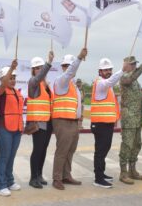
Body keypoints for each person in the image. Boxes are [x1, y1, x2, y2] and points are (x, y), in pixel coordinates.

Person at [91, 58, 130, 188]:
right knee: (100, 151)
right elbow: (110, 81)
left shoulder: (107, 86)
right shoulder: (100, 83)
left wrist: (114, 120)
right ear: (100, 71)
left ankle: (101, 173)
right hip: (100, 123)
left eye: (109, 70)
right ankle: (98, 178)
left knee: (104, 149)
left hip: (106, 123)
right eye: (106, 70)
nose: (108, 72)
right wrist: (122, 70)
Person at [52, 48, 87, 190]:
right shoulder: (61, 81)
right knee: (62, 150)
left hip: (73, 121)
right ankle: (57, 178)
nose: (69, 69)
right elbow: (70, 73)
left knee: (70, 150)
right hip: (62, 121)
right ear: (63, 67)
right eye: (67, 66)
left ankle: (66, 175)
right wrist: (79, 58)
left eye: (70, 66)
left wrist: (79, 119)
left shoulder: (73, 85)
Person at [118, 55, 142, 185]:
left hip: (137, 118)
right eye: (132, 64)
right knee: (127, 145)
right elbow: (132, 77)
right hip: (129, 119)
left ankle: (132, 170)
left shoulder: (136, 81)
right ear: (126, 65)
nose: (134, 66)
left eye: (135, 64)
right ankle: (123, 172)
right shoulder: (125, 77)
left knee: (137, 144)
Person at [0, 60, 23, 196]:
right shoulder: (1, 91)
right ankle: (0, 185)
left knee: (11, 157)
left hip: (17, 129)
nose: (12, 80)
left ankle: (9, 181)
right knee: (4, 157)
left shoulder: (17, 92)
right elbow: (3, 84)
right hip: (4, 128)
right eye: (10, 78)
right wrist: (11, 68)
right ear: (2, 79)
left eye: (14, 78)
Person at [27, 51, 54, 189]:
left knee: (43, 149)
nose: (39, 70)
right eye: (37, 68)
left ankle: (39, 175)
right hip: (38, 122)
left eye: (40, 67)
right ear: (33, 70)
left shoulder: (46, 85)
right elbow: (38, 78)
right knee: (37, 150)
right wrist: (49, 63)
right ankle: (33, 178)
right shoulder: (33, 82)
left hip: (47, 122)